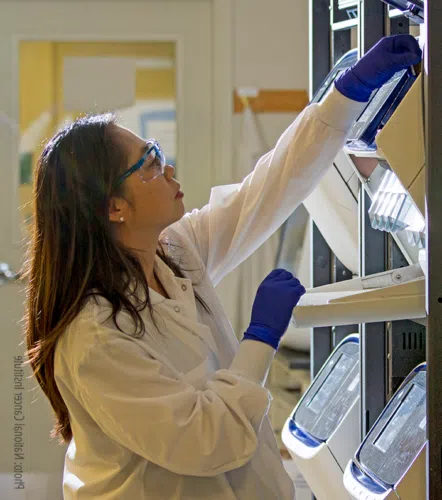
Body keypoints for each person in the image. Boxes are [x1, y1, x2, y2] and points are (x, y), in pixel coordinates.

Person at [24, 35, 421, 499]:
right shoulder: (93, 336)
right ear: (114, 206)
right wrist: (260, 339)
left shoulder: (173, 252)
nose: (167, 168)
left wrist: (344, 97)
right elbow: (204, 439)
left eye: (156, 151)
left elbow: (267, 189)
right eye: (149, 164)